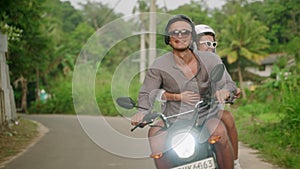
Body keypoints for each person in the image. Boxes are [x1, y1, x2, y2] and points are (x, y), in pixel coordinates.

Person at [131, 14, 237, 169]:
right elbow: (147, 92)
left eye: (185, 32)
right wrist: (142, 112)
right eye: (174, 32)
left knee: (219, 133)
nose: (180, 35)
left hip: (205, 116)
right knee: (154, 136)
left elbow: (227, 83)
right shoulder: (159, 64)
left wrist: (225, 91)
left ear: (192, 36)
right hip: (172, 120)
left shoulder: (210, 59)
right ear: (168, 38)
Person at [195, 24, 242, 169]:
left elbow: (228, 83)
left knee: (227, 117)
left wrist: (229, 91)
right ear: (194, 44)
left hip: (209, 111)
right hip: (182, 113)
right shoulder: (179, 61)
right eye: (206, 43)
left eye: (213, 44)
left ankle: (234, 161)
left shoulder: (216, 62)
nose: (211, 47)